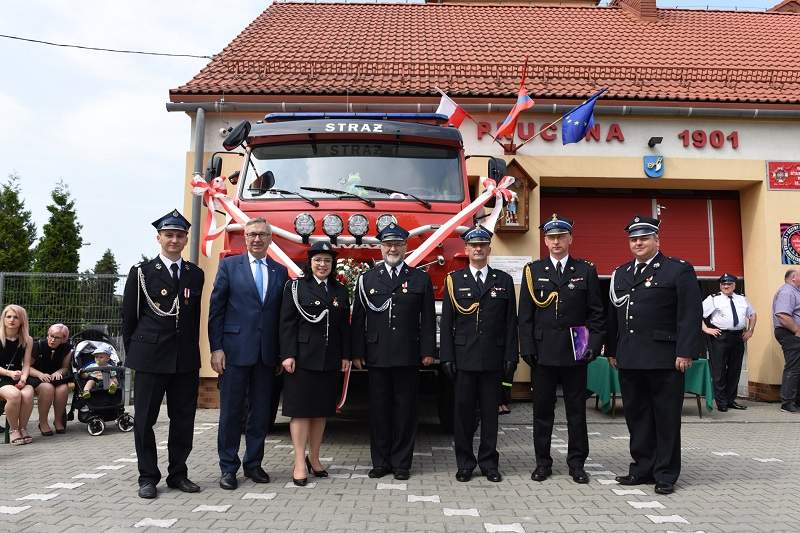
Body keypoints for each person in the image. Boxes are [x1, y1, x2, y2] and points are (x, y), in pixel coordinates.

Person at [606, 215, 703, 495]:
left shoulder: (677, 270)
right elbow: (615, 315)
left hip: (665, 358)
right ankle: (641, 468)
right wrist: (612, 349)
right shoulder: (621, 273)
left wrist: (686, 351)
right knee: (637, 417)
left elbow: (689, 313)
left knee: (666, 417)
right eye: (633, 239)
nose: (638, 243)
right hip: (631, 358)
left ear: (656, 240)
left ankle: (665, 473)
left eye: (643, 238)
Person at [122, 210, 205, 499]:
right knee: (145, 420)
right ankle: (147, 477)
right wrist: (134, 355)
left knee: (183, 419)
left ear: (185, 239)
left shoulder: (195, 274)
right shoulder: (142, 272)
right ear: (159, 238)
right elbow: (129, 318)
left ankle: (178, 474)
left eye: (179, 235)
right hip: (150, 358)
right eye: (168, 234)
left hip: (184, 359)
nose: (174, 239)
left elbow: (193, 320)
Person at [518, 214, 605, 484]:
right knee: (542, 412)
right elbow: (526, 316)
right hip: (542, 352)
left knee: (576, 411)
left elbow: (597, 315)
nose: (556, 242)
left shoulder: (585, 270)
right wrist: (527, 348)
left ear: (570, 239)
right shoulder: (532, 271)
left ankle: (577, 463)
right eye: (551, 237)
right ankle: (543, 463)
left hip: (575, 349)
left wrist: (593, 345)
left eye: (560, 237)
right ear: (545, 241)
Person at [351, 223, 436, 480]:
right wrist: (357, 352)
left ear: (406, 247)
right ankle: (381, 462)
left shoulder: (419, 278)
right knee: (378, 411)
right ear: (380, 248)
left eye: (398, 244)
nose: (392, 248)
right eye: (388, 244)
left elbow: (428, 319)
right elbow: (358, 320)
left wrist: (428, 350)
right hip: (376, 355)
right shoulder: (367, 279)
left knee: (406, 411)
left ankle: (401, 463)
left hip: (408, 355)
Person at [209, 217, 288, 490]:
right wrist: (216, 348)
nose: (257, 239)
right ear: (245, 237)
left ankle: (253, 464)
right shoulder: (229, 266)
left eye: (262, 235)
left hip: (267, 356)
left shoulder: (280, 272)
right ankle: (228, 468)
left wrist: (281, 353)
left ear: (270, 239)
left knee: (261, 414)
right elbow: (216, 310)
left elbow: (281, 318)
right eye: (252, 234)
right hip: (234, 352)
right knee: (231, 413)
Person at [440, 224, 517, 483]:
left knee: (490, 415)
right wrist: (447, 357)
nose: (478, 249)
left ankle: (488, 463)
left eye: (482, 245)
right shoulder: (454, 280)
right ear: (466, 249)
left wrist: (510, 356)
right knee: (462, 416)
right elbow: (447, 325)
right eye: (474, 245)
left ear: (489, 249)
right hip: (463, 360)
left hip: (493, 360)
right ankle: (465, 463)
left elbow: (510, 324)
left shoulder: (503, 281)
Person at [279, 241, 351, 486]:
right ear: (310, 263)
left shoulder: (340, 291)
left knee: (321, 412)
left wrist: (345, 355)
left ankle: (315, 458)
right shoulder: (296, 287)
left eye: (327, 261)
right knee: (300, 412)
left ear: (333, 264)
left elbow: (343, 328)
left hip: (329, 359)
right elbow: (286, 323)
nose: (323, 265)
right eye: (318, 260)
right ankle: (299, 461)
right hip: (301, 359)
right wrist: (287, 354)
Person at [701, 273, 756, 411]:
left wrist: (750, 330)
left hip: (738, 337)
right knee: (719, 371)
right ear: (720, 285)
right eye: (724, 284)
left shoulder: (742, 299)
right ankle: (721, 402)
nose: (726, 286)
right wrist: (706, 328)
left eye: (729, 284)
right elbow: (697, 313)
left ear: (734, 285)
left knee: (734, 370)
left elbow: (753, 314)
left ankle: (731, 400)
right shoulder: (713, 299)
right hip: (720, 337)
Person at [27, 324, 72, 435]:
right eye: (51, 336)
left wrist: (59, 372)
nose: (52, 340)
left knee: (63, 389)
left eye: (57, 338)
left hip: (55, 378)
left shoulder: (67, 349)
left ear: (64, 339)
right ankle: (43, 422)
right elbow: (27, 366)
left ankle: (57, 421)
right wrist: (40, 374)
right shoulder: (37, 346)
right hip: (36, 377)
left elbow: (65, 367)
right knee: (48, 388)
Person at [0, 304, 34, 445]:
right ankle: (14, 430)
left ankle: (23, 428)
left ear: (22, 320)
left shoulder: (27, 340)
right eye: (8, 316)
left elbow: (26, 364)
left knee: (28, 393)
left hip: (18, 376)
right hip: (2, 376)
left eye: (16, 317)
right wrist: (9, 373)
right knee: (15, 395)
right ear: (3, 319)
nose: (12, 320)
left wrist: (24, 379)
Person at [772, 267, 800, 413]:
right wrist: (796, 330)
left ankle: (795, 401)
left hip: (792, 333)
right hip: (790, 333)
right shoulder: (787, 291)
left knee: (797, 368)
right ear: (793, 277)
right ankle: (787, 403)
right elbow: (782, 315)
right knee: (794, 367)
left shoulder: (794, 291)